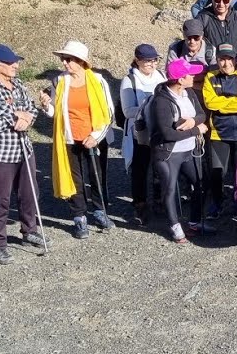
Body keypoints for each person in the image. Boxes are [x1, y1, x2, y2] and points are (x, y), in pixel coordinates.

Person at [0, 45, 49, 265]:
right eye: (11, 63)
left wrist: (25, 117)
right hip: (0, 153)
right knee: (0, 200)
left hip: (24, 149)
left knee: (30, 192)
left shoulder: (19, 85)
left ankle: (30, 230)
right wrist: (15, 117)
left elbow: (32, 109)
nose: (16, 66)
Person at [43, 40, 115, 239]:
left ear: (81, 61)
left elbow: (108, 112)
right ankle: (79, 216)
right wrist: (45, 105)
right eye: (63, 59)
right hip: (69, 137)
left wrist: (95, 136)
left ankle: (100, 211)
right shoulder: (59, 81)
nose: (65, 63)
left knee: (97, 175)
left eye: (69, 59)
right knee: (75, 178)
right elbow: (54, 112)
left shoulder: (98, 80)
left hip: (94, 137)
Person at [149, 59, 209, 244]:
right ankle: (174, 225)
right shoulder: (161, 101)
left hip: (189, 150)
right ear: (180, 79)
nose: (194, 76)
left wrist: (192, 121)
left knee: (200, 183)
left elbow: (202, 114)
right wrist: (196, 130)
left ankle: (194, 222)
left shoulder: (189, 92)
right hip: (168, 153)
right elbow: (167, 133)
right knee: (169, 189)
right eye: (190, 74)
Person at [202, 44, 237, 219]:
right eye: (222, 59)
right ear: (217, 60)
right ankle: (217, 203)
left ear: (235, 60)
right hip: (218, 132)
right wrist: (230, 103)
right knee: (218, 172)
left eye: (229, 59)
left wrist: (222, 103)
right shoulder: (210, 77)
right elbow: (210, 103)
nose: (226, 63)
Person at [120, 43, 167, 226]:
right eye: (147, 61)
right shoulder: (129, 81)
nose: (151, 64)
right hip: (139, 132)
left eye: (154, 60)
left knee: (159, 167)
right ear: (138, 61)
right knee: (140, 169)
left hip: (159, 129)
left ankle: (159, 200)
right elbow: (127, 111)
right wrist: (151, 107)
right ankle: (140, 204)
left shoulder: (161, 76)